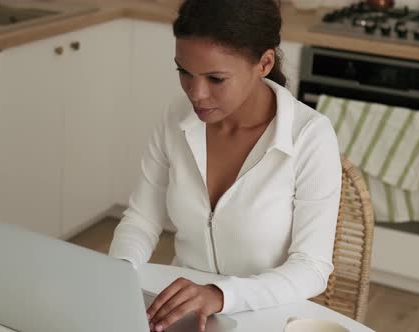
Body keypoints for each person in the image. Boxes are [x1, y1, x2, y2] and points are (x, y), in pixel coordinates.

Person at [109, 0, 341, 331]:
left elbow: (311, 267)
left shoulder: (309, 136)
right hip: (184, 315)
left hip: (267, 315)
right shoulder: (176, 117)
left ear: (263, 64)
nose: (196, 94)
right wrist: (116, 277)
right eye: (184, 73)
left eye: (216, 79)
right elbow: (142, 219)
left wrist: (220, 294)